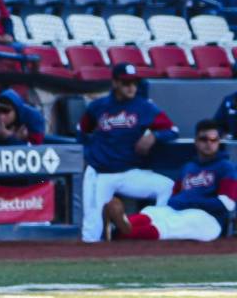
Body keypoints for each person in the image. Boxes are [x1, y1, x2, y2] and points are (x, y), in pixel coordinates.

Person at [77, 62, 179, 243]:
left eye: (134, 82)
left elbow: (172, 130)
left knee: (168, 187)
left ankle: (154, 227)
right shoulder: (99, 106)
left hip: (129, 172)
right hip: (100, 174)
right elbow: (82, 130)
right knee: (92, 233)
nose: (131, 87)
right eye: (126, 83)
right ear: (115, 83)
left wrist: (154, 136)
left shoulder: (144, 107)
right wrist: (91, 152)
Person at [104, 120, 237, 242]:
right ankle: (120, 223)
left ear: (219, 142)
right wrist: (177, 201)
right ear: (196, 141)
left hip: (209, 219)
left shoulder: (226, 167)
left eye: (214, 140)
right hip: (182, 210)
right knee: (154, 212)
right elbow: (175, 195)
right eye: (204, 139)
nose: (209, 143)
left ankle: (119, 233)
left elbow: (227, 204)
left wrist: (190, 201)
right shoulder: (189, 167)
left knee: (173, 224)